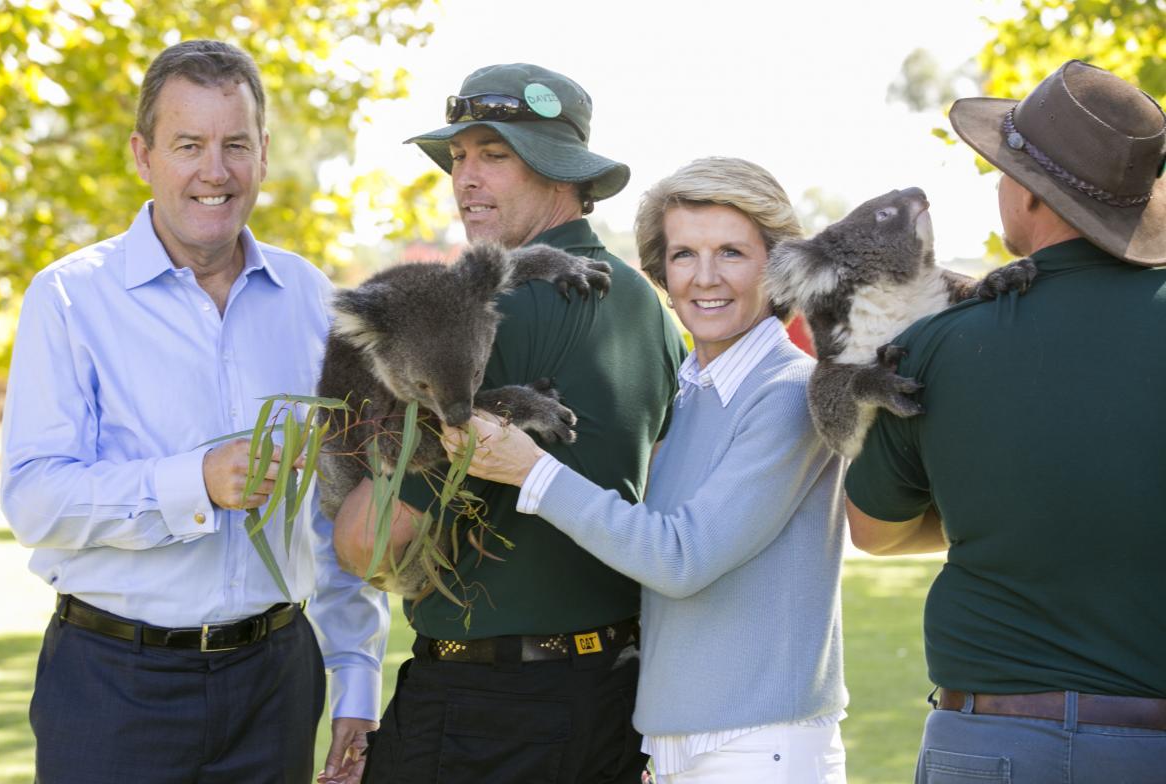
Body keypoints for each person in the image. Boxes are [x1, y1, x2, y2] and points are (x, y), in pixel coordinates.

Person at [0, 40, 386, 784]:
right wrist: (197, 482)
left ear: (264, 154)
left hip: (277, 686)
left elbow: (343, 512)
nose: (216, 171)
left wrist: (356, 680)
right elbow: (36, 500)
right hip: (111, 689)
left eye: (235, 145)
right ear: (143, 155)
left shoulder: (315, 302)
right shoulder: (70, 298)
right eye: (189, 145)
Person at [331, 63, 686, 782]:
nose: (466, 177)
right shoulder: (648, 310)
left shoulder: (481, 319)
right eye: (459, 157)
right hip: (613, 699)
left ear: (561, 172)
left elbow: (371, 543)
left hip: (486, 713)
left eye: (495, 156)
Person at [443, 157, 849, 783]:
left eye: (732, 253)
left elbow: (680, 558)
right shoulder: (689, 393)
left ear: (779, 265)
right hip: (676, 745)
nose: (704, 278)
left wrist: (533, 472)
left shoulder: (790, 394)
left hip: (759, 748)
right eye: (684, 254)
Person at [845, 59, 1166, 782]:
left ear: (1029, 194)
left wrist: (992, 517)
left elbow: (873, 530)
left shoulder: (936, 346)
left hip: (993, 743)